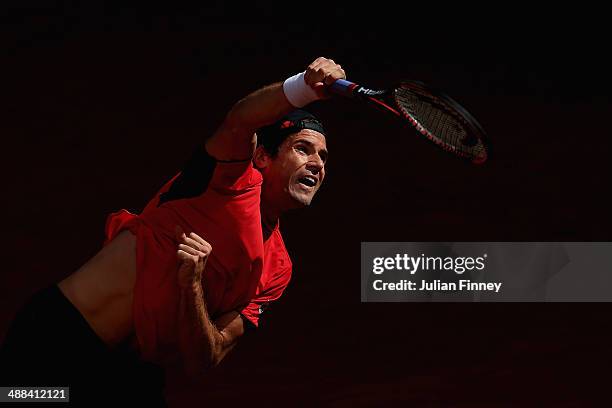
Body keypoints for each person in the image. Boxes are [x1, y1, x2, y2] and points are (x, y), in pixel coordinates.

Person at [0, 57, 345, 406]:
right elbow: (241, 121)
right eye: (303, 148)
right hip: (57, 343)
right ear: (262, 158)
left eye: (324, 158)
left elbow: (204, 359)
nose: (317, 164)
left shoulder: (278, 268)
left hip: (129, 376)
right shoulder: (229, 181)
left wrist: (191, 288)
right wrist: (303, 87)